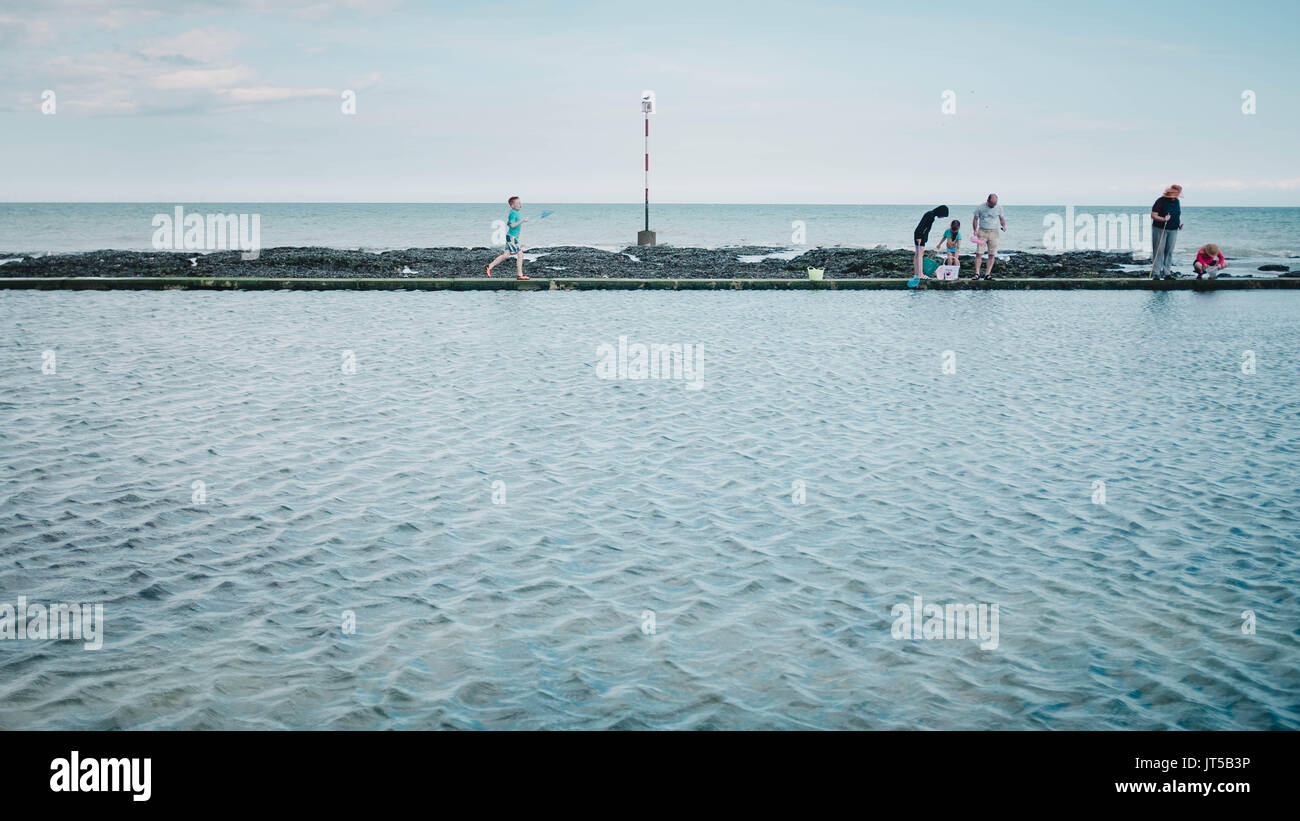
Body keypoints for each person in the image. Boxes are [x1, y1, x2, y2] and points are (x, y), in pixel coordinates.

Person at [486, 195, 530, 279]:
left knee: (506, 255)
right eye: (518, 203)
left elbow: (508, 223)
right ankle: (520, 275)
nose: (520, 204)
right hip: (512, 237)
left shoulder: (515, 213)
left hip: (511, 237)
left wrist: (518, 221)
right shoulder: (513, 213)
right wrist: (522, 221)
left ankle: (489, 266)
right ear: (512, 205)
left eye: (520, 203)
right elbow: (512, 225)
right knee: (520, 254)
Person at [1150, 184, 1183, 280]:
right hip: (1160, 228)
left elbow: (1176, 214)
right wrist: (1163, 219)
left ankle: (1167, 273)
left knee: (1169, 251)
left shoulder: (1177, 201)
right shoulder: (1160, 201)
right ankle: (1156, 273)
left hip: (1173, 229)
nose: (1176, 196)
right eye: (1175, 194)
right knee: (1158, 251)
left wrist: (1178, 224)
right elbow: (1153, 215)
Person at [970, 193, 1005, 280]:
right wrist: (975, 230)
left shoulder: (999, 208)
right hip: (982, 232)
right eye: (992, 204)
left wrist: (1003, 225)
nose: (993, 206)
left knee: (992, 254)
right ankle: (977, 274)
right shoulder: (980, 207)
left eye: (995, 204)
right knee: (979, 253)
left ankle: (987, 274)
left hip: (994, 232)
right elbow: (975, 219)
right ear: (988, 201)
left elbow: (1001, 218)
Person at [912, 205, 949, 278]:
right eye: (943, 215)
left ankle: (916, 274)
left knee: (917, 255)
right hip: (920, 236)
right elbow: (922, 226)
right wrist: (919, 237)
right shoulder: (930, 215)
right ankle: (920, 274)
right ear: (940, 212)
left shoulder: (931, 214)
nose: (942, 217)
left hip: (919, 235)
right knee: (920, 255)